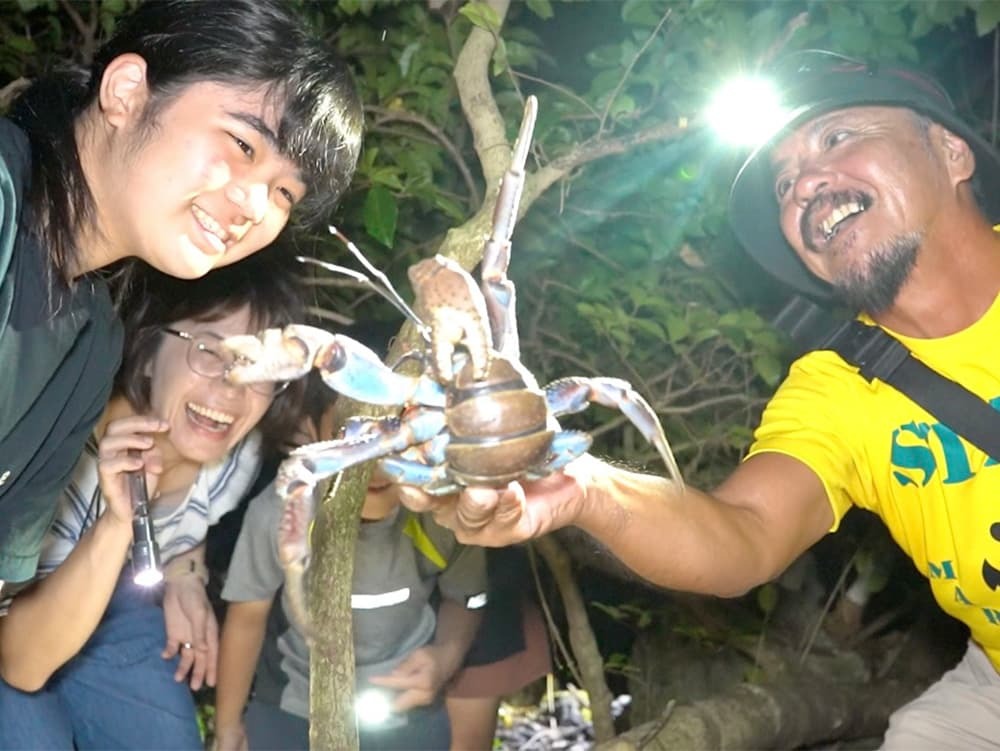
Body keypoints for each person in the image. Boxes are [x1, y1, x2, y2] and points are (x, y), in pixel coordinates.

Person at [398, 51, 1000, 749]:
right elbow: (743, 533)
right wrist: (581, 485)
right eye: (783, 183)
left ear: (951, 150)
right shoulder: (836, 389)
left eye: (837, 137)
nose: (804, 186)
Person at [0, 0, 363, 599]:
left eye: (284, 193)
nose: (254, 207)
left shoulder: (91, 348)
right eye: (243, 145)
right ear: (126, 92)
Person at [0, 249, 307, 749]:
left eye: (257, 367)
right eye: (209, 351)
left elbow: (185, 528)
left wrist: (186, 573)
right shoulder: (65, 460)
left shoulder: (237, 456)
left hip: (118, 600)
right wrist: (116, 525)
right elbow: (22, 664)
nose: (232, 388)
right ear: (148, 349)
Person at [214, 387, 488, 751]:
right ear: (312, 434)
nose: (372, 462)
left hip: (406, 708)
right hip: (294, 704)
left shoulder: (446, 513)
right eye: (350, 435)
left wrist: (446, 658)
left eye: (398, 438)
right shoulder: (283, 513)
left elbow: (467, 599)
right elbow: (248, 616)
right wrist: (227, 726)